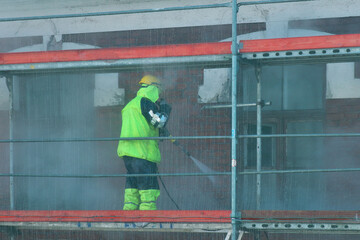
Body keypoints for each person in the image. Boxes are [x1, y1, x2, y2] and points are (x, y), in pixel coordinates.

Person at [117, 75, 171, 210]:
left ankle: (129, 215)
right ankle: (148, 218)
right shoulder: (145, 102)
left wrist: (158, 131)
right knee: (148, 187)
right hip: (142, 153)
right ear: (153, 88)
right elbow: (159, 121)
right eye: (158, 91)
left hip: (128, 154)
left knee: (133, 185)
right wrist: (164, 110)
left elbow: (141, 125)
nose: (159, 96)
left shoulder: (131, 104)